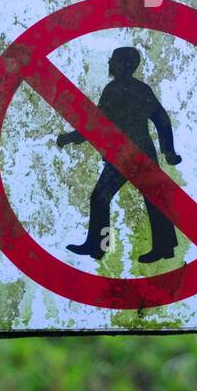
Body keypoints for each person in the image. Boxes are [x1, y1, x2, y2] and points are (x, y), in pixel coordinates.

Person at [56, 46, 182, 263]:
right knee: (154, 199)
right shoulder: (143, 89)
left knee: (101, 197)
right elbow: (162, 119)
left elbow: (95, 124)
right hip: (143, 152)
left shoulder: (113, 90)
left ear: (122, 64)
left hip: (125, 156)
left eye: (112, 60)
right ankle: (164, 248)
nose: (109, 64)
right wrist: (168, 152)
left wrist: (69, 138)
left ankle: (97, 247)